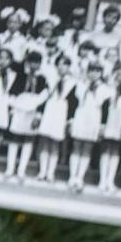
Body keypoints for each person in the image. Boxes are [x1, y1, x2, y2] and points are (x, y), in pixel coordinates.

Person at [4, 51, 50, 183]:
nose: (34, 65)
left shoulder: (42, 79)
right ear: (28, 63)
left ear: (40, 64)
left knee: (28, 140)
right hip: (19, 110)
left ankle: (21, 170)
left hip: (32, 111)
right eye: (32, 62)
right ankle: (10, 168)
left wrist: (38, 115)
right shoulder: (20, 76)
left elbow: (44, 99)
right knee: (14, 139)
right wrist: (12, 108)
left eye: (37, 62)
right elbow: (12, 93)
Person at [66, 61, 109, 193]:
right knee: (77, 146)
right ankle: (72, 176)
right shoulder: (80, 85)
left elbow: (105, 108)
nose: (94, 74)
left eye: (97, 71)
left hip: (94, 117)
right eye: (91, 71)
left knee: (87, 148)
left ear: (101, 73)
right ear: (87, 72)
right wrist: (71, 119)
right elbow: (72, 102)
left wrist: (102, 125)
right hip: (81, 115)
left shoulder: (105, 89)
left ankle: (80, 177)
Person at [35, 55, 75, 184]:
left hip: (61, 112)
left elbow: (73, 102)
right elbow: (43, 98)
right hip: (49, 109)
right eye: (60, 64)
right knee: (45, 141)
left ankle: (50, 172)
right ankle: (42, 171)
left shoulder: (73, 82)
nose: (62, 67)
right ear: (56, 65)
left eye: (66, 64)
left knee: (55, 144)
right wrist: (39, 115)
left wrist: (69, 120)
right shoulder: (50, 80)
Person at [98, 62, 121, 194]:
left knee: (115, 151)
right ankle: (102, 180)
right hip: (109, 121)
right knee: (106, 149)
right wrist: (102, 124)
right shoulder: (109, 89)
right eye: (118, 74)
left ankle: (110, 180)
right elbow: (103, 108)